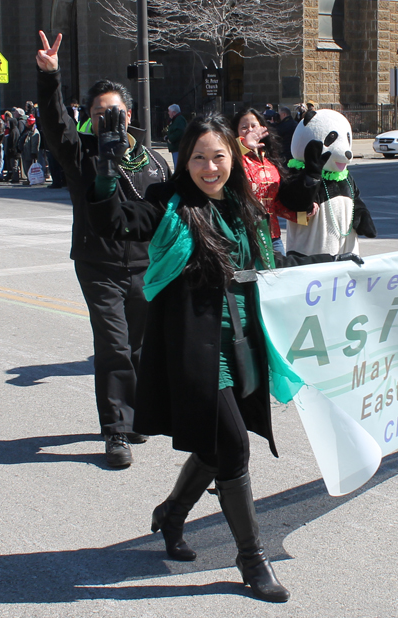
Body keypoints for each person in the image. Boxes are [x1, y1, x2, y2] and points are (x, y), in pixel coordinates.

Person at [86, 111, 363, 603]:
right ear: (184, 161)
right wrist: (105, 171)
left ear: (232, 158)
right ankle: (251, 560)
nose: (209, 167)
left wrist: (333, 265)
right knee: (234, 447)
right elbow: (116, 220)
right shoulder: (167, 203)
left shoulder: (243, 204)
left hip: (242, 344)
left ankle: (171, 514)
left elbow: (275, 253)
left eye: (218, 156)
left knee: (217, 446)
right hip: (196, 349)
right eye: (198, 158)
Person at [36, 30, 171, 467]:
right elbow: (54, 125)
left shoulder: (152, 160)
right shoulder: (82, 155)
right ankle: (116, 432)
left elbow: (167, 214)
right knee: (113, 345)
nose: (106, 118)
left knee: (138, 346)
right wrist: (50, 77)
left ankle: (133, 418)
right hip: (99, 265)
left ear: (128, 114)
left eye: (113, 111)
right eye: (97, 113)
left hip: (146, 267)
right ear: (89, 118)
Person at [231, 108, 307, 255]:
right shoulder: (233, 156)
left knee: (281, 276)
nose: (250, 130)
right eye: (244, 127)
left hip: (272, 235)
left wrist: (302, 212)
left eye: (254, 126)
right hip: (245, 236)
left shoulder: (268, 159)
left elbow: (273, 201)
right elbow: (225, 159)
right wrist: (243, 146)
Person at [19, 114, 41, 182]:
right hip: (25, 151)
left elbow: (34, 144)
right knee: (26, 166)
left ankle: (31, 179)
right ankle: (29, 179)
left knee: (29, 167)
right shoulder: (26, 130)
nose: (25, 123)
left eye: (27, 122)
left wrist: (34, 153)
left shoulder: (34, 132)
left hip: (30, 153)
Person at [165, 104, 187, 168]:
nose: (168, 113)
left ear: (174, 112)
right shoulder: (176, 119)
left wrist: (170, 139)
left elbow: (180, 132)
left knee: (178, 166)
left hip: (178, 147)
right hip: (176, 147)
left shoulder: (179, 119)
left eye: (169, 111)